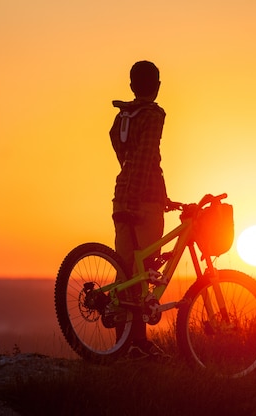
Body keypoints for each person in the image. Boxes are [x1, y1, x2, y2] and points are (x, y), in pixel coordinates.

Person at [110, 61, 169, 359]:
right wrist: (147, 197)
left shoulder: (124, 115)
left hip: (121, 196)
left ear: (132, 86)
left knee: (125, 272)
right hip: (142, 201)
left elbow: (126, 153)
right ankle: (137, 344)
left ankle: (124, 345)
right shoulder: (153, 115)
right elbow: (149, 158)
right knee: (142, 274)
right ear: (157, 85)